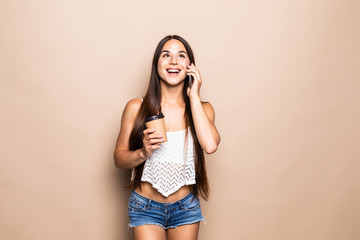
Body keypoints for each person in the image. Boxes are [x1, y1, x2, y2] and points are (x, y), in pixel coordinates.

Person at [114, 34, 220, 240]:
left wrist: (194, 96)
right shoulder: (136, 107)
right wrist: (143, 152)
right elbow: (119, 159)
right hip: (145, 207)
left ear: (190, 65)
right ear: (156, 65)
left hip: (185, 208)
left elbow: (209, 145)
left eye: (181, 55)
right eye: (166, 55)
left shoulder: (203, 109)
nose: (173, 61)